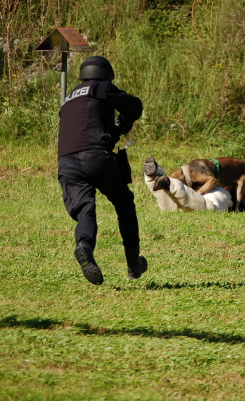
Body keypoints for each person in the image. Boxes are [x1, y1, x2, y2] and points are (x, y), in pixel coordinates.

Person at [57, 55, 147, 285]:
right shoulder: (100, 87)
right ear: (106, 75)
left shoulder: (69, 98)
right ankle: (133, 264)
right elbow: (134, 106)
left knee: (85, 211)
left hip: (66, 163)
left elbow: (90, 122)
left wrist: (114, 129)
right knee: (124, 202)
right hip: (94, 157)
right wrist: (125, 121)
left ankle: (84, 246)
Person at [143, 157, 245, 212]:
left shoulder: (196, 173)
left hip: (239, 174)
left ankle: (155, 177)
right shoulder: (193, 172)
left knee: (200, 202)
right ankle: (159, 179)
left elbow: (213, 181)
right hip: (220, 189)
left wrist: (199, 194)